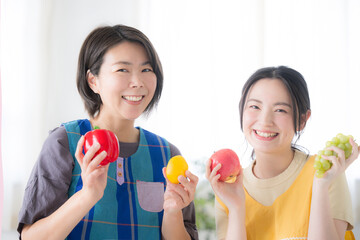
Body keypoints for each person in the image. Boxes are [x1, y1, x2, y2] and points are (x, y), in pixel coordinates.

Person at [18, 24, 199, 240]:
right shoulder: (65, 142)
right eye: (122, 70)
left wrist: (172, 212)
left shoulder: (167, 154)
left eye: (146, 70)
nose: (137, 82)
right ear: (93, 81)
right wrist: (88, 195)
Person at [206, 66, 358, 240]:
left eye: (280, 110)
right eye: (255, 106)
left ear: (302, 120)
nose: (265, 121)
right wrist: (236, 208)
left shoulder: (327, 173)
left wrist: (320, 187)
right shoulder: (229, 188)